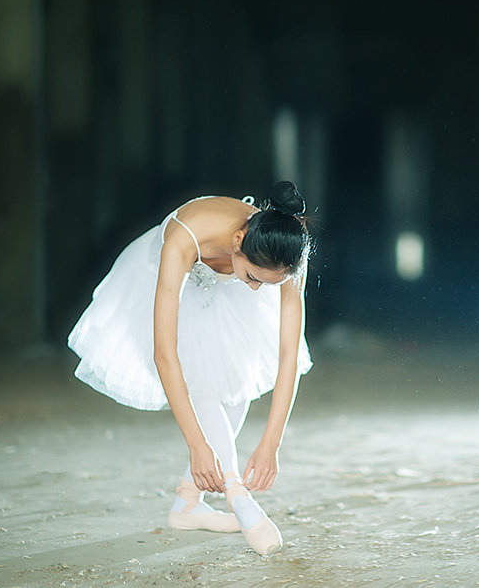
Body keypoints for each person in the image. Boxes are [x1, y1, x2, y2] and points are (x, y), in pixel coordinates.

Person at [67, 181, 313, 556]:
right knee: (204, 382)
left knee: (237, 379)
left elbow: (288, 352)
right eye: (253, 280)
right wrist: (197, 445)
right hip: (166, 275)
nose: (256, 292)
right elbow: (165, 354)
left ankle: (187, 502)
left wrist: (271, 443)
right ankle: (239, 498)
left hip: (226, 280)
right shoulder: (184, 238)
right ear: (237, 241)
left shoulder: (289, 243)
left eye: (268, 285)